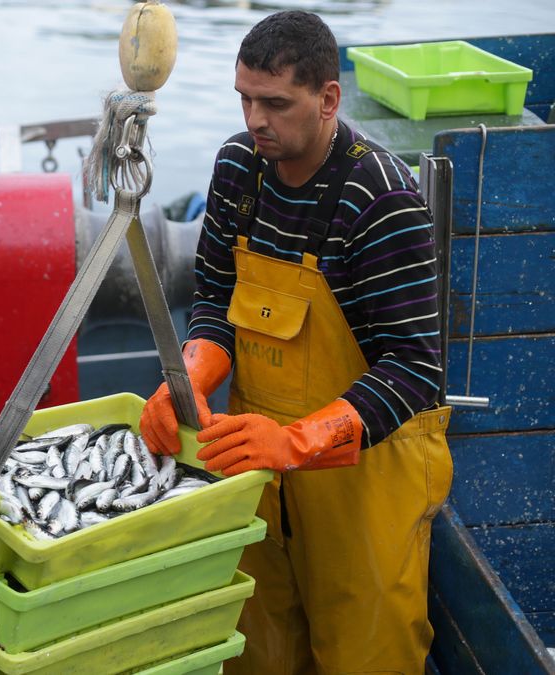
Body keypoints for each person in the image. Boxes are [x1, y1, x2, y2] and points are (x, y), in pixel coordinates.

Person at [139, 11, 454, 675]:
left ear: (327, 99)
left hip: (365, 482)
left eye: (275, 103)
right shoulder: (237, 169)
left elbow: (415, 368)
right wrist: (189, 378)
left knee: (365, 658)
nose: (256, 120)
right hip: (257, 465)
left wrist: (299, 441)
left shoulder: (380, 199)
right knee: (258, 653)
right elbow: (216, 304)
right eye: (245, 99)